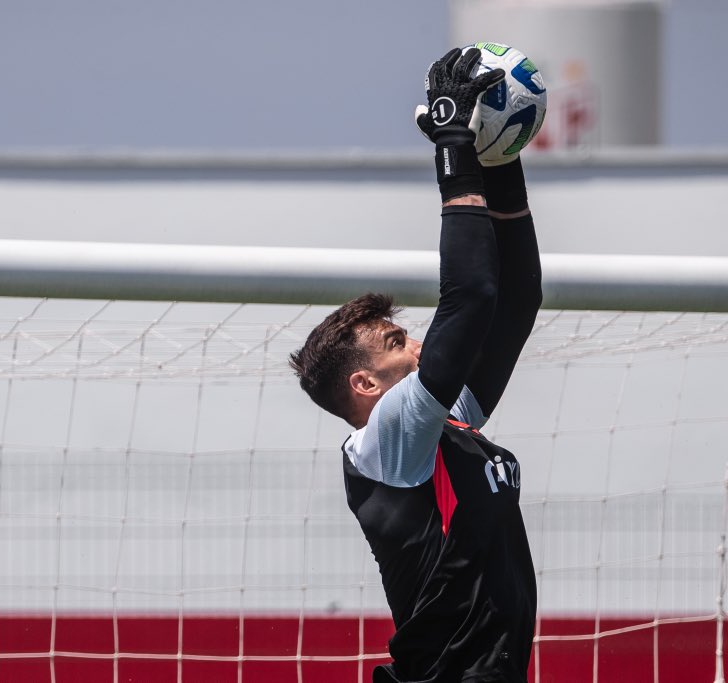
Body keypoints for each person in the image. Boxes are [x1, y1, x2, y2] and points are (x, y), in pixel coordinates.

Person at [289, 47, 542, 682]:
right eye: (397, 341)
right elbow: (471, 298)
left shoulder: (441, 427)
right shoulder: (387, 439)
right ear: (365, 383)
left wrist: (500, 162)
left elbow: (516, 300)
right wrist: (454, 149)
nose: (420, 344)